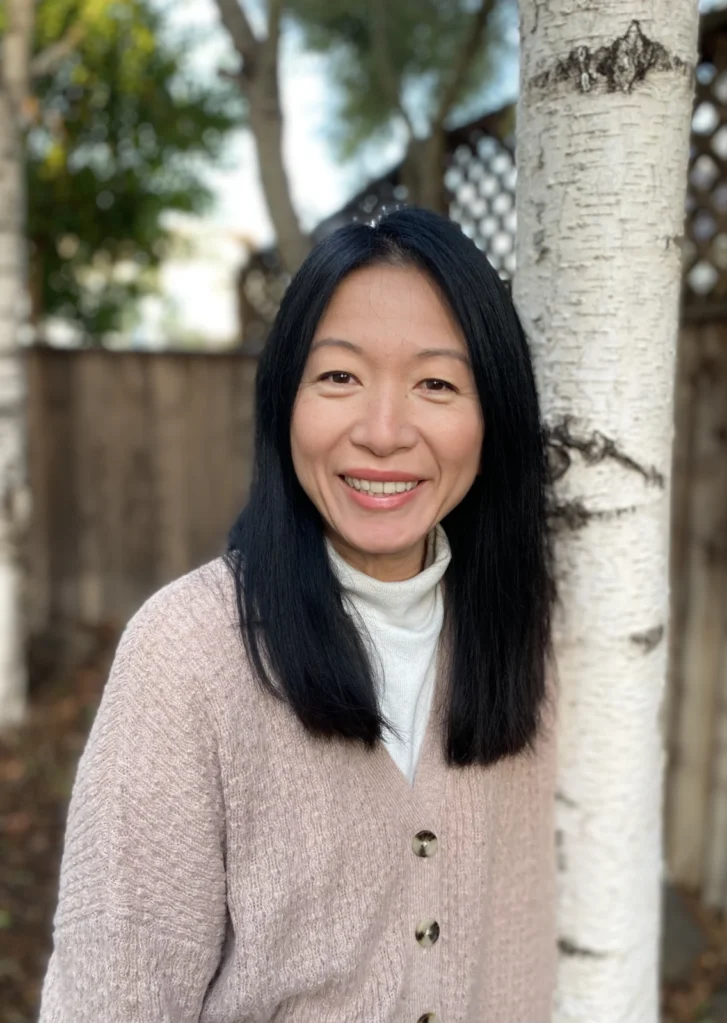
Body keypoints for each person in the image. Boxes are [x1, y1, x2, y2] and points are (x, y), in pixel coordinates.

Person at [39, 207, 557, 1023]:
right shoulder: (187, 652)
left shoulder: (529, 640)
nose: (383, 433)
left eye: (436, 383)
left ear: (494, 417)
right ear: (285, 401)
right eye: (340, 376)